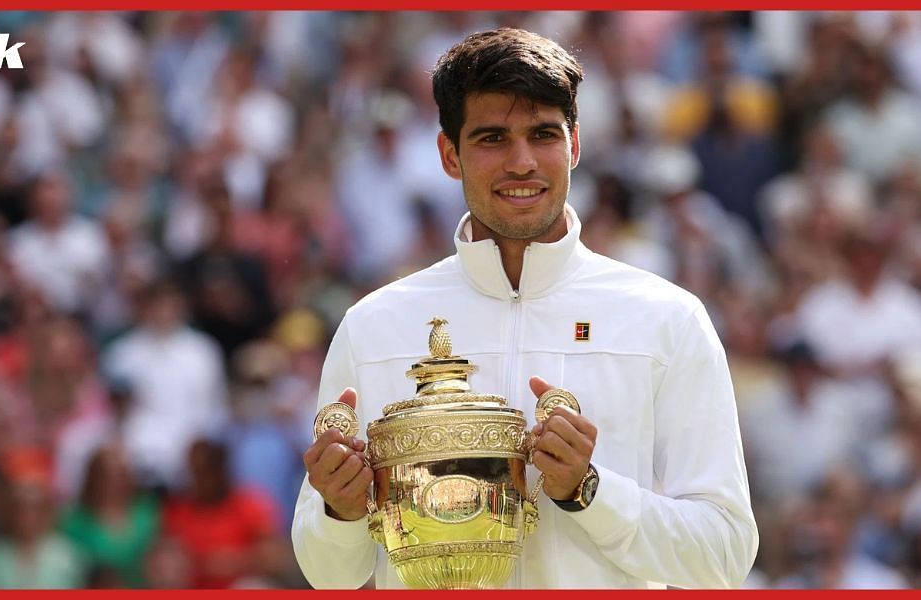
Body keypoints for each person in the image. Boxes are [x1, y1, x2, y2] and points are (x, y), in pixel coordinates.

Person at [292, 27, 757, 589]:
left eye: (543, 134)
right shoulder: (374, 326)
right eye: (492, 138)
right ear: (449, 154)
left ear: (575, 145)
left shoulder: (667, 320)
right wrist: (340, 510)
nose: (521, 162)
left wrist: (589, 490)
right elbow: (326, 573)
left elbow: (725, 554)